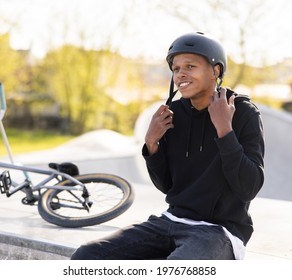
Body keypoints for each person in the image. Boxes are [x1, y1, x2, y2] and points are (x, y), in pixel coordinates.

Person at [71, 32, 265, 260]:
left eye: (190, 66)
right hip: (170, 221)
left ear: (216, 71)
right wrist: (152, 144)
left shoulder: (242, 112)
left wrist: (224, 130)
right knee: (87, 255)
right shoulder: (175, 114)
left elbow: (249, 187)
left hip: (219, 231)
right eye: (176, 69)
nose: (180, 74)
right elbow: (168, 186)